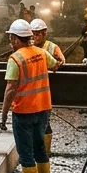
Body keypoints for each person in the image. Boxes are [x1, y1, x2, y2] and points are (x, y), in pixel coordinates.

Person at [0, 19, 58, 173]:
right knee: (40, 149)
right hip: (43, 109)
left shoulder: (15, 59)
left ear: (17, 39)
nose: (10, 41)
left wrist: (3, 114)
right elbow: (55, 65)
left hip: (24, 111)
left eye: (11, 38)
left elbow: (10, 89)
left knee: (26, 152)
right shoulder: (41, 53)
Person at [30, 18, 65, 156]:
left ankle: (45, 152)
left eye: (38, 33)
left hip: (45, 90)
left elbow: (61, 60)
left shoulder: (51, 47)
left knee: (44, 121)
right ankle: (39, 150)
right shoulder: (29, 47)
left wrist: (54, 65)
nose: (35, 36)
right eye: (33, 33)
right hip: (32, 90)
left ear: (44, 33)